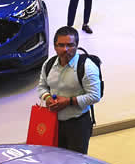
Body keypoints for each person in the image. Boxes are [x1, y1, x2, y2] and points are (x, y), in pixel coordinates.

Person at [36, 26, 101, 154]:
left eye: (70, 45)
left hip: (78, 125)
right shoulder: (48, 65)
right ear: (55, 46)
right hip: (53, 122)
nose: (65, 49)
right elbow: (42, 86)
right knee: (53, 158)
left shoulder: (87, 67)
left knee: (75, 163)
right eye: (61, 45)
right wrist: (47, 98)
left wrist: (68, 101)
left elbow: (95, 95)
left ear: (76, 46)